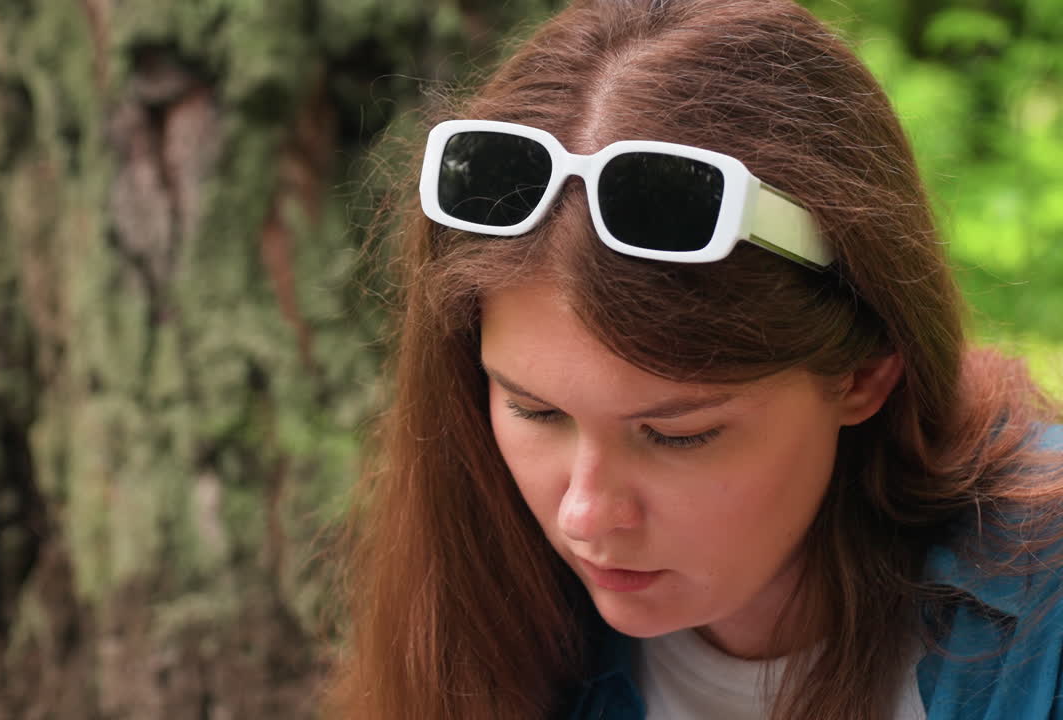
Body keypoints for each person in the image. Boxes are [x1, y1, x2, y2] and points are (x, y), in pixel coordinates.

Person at [325, 1, 1063, 718]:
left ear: (866, 370)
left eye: (678, 434)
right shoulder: (493, 614)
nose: (587, 515)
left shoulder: (1043, 617)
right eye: (534, 410)